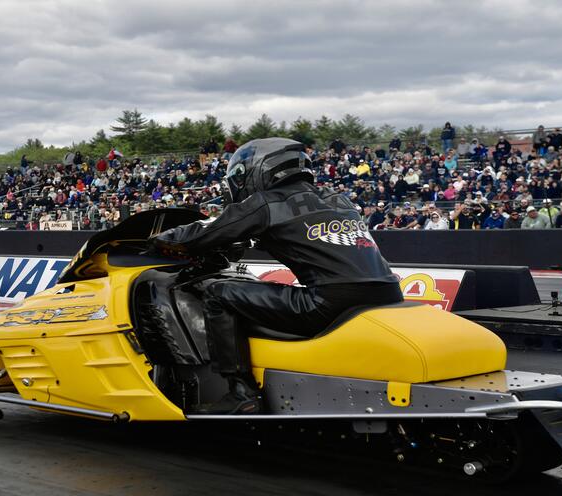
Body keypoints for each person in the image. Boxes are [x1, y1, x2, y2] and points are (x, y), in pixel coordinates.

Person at [151, 138, 403, 414]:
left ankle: (241, 392)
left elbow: (202, 235)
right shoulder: (336, 197)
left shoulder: (266, 203)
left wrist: (158, 240)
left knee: (217, 294)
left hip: (331, 301)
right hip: (388, 291)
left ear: (259, 170)